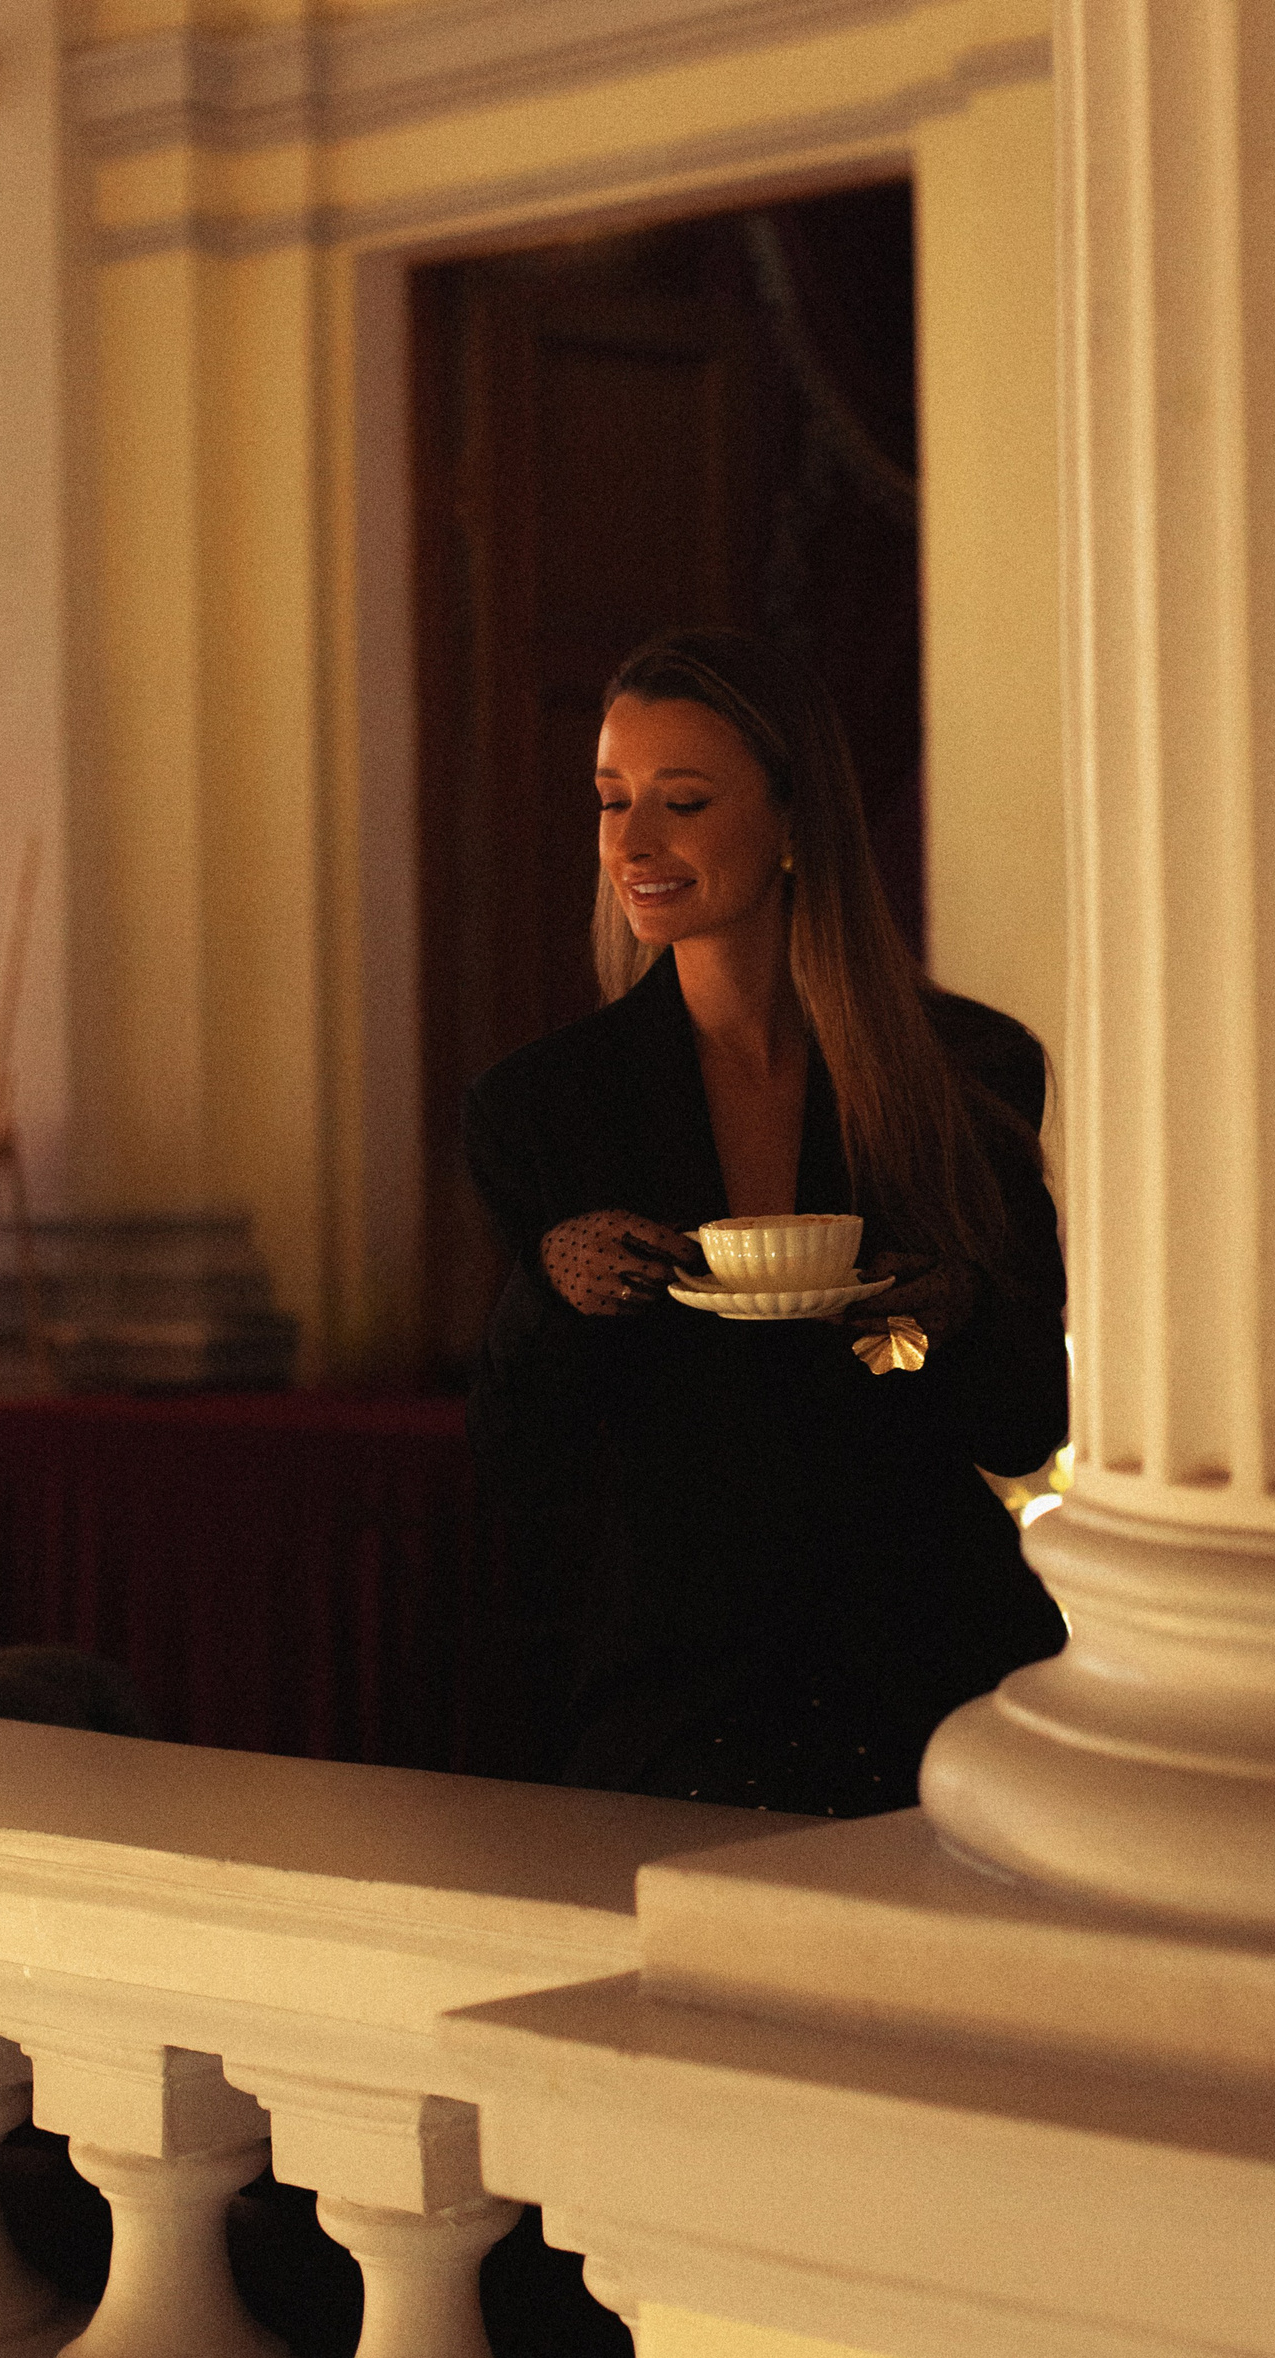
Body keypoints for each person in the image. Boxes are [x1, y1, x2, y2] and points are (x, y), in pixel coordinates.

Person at [463, 629, 1067, 1817]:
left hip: (932, 1653)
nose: (632, 842)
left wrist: (942, 1316)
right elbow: (520, 1466)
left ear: (796, 820)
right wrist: (553, 1291)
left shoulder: (967, 1072)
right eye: (613, 799)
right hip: (674, 1684)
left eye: (682, 801)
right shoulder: (546, 1108)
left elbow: (1022, 1424)